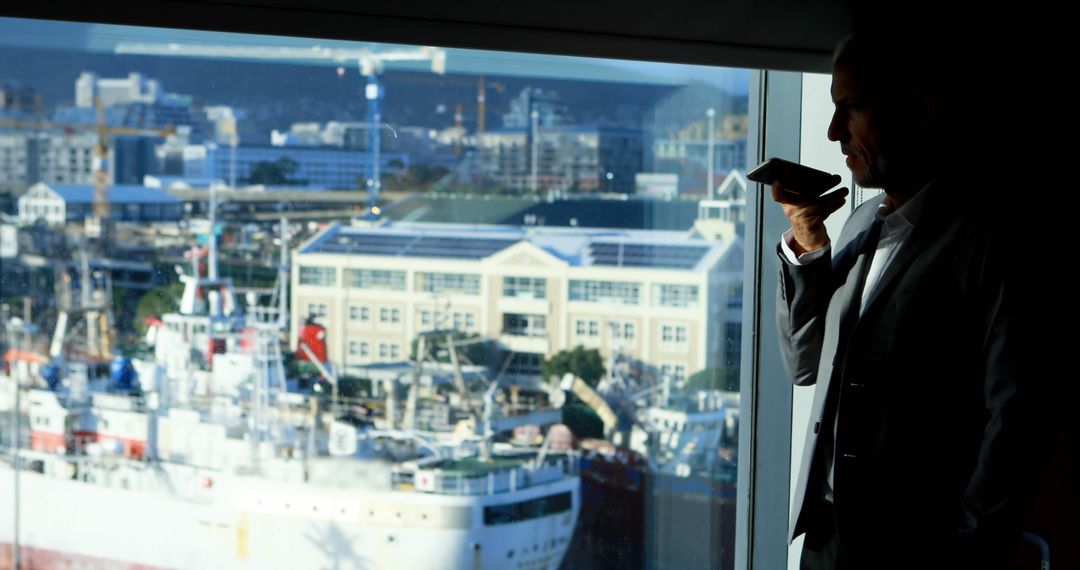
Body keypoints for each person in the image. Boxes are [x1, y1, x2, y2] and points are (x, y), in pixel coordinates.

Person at [773, 33, 1043, 569]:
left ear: (922, 106)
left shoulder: (991, 242)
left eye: (849, 109)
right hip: (825, 543)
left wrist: (973, 549)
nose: (832, 132)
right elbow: (806, 365)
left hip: (920, 548)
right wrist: (807, 245)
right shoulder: (854, 224)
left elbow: (1013, 419)